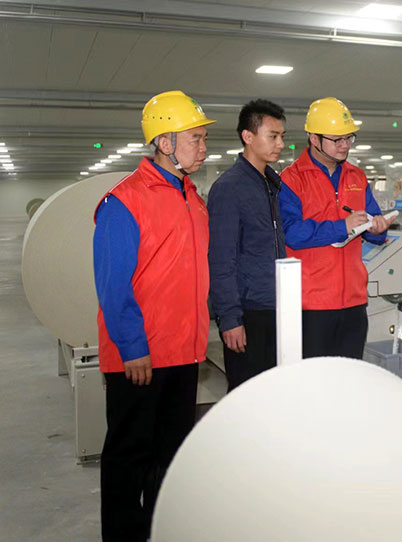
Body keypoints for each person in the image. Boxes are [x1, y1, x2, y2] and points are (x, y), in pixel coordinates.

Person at [93, 90, 214, 542]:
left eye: (203, 138)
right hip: (140, 358)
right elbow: (113, 285)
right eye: (195, 138)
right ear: (165, 143)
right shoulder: (123, 201)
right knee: (129, 459)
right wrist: (132, 347)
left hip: (184, 352)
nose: (203, 147)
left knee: (171, 457)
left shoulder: (192, 199)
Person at [278, 97, 395, 359]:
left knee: (349, 375)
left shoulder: (357, 176)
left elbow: (373, 221)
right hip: (311, 304)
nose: (345, 145)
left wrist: (378, 229)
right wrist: (342, 227)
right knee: (315, 378)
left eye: (349, 138)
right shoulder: (292, 179)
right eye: (337, 139)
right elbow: (291, 233)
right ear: (314, 138)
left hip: (354, 301)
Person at [208, 99, 287, 391]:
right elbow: (221, 259)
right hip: (248, 312)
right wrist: (230, 318)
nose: (280, 144)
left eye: (282, 136)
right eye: (273, 136)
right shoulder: (229, 188)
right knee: (247, 397)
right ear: (248, 136)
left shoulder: (270, 185)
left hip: (276, 307)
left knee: (274, 394)